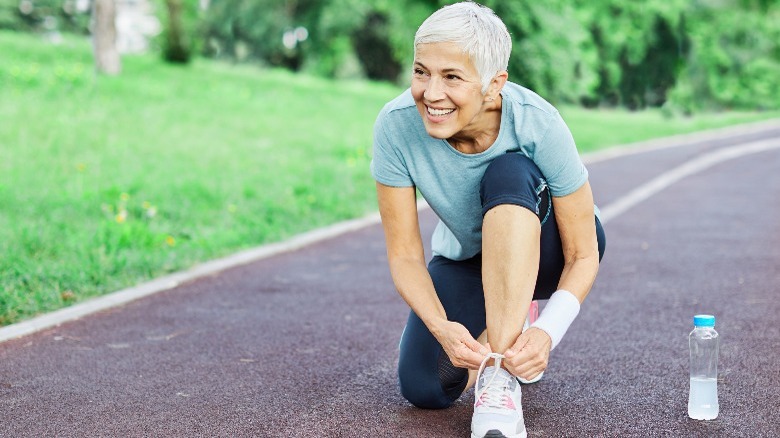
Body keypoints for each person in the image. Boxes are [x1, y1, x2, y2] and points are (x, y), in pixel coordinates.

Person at [371, 2, 606, 438]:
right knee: (425, 387)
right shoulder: (395, 127)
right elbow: (404, 254)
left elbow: (584, 252)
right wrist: (442, 328)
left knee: (509, 172)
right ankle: (510, 323)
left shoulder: (539, 124)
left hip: (551, 252)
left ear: (495, 84)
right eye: (421, 71)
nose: (430, 93)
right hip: (469, 259)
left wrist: (547, 334)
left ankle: (501, 376)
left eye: (452, 77)